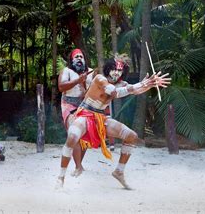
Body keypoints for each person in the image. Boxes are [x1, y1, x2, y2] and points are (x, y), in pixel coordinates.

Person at [56, 54, 171, 189]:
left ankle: (119, 171)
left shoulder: (122, 84)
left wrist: (151, 83)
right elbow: (114, 92)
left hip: (100, 118)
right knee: (73, 136)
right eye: (114, 69)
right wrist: (142, 84)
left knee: (132, 137)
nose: (116, 72)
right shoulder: (100, 79)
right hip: (85, 115)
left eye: (120, 70)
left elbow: (136, 90)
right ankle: (60, 178)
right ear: (108, 68)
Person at [58, 48, 94, 177]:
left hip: (86, 106)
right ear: (72, 60)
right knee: (75, 134)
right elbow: (61, 87)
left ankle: (79, 165)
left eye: (81, 57)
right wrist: (78, 81)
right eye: (76, 57)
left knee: (85, 137)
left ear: (84, 60)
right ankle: (78, 167)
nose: (79, 58)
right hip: (69, 105)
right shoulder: (66, 71)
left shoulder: (91, 72)